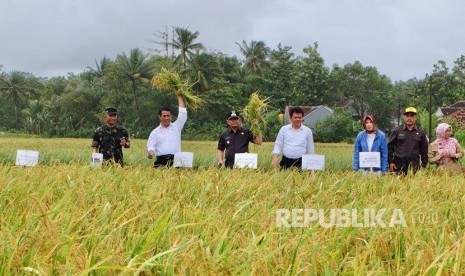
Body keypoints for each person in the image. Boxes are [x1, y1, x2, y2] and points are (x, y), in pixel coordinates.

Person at [147, 95, 186, 167]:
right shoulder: (155, 132)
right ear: (160, 117)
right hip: (160, 161)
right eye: (164, 116)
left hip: (176, 161)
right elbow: (150, 146)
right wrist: (150, 153)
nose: (166, 118)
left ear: (171, 116)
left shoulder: (177, 127)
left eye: (168, 116)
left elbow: (182, 114)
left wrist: (179, 96)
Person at [388, 107, 428, 174]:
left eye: (412, 116)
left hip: (414, 166)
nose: (409, 118)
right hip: (398, 165)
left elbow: (424, 150)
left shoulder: (421, 132)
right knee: (397, 184)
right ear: (404, 117)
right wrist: (390, 162)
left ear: (415, 118)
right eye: (407, 116)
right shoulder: (397, 130)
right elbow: (390, 147)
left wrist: (423, 165)